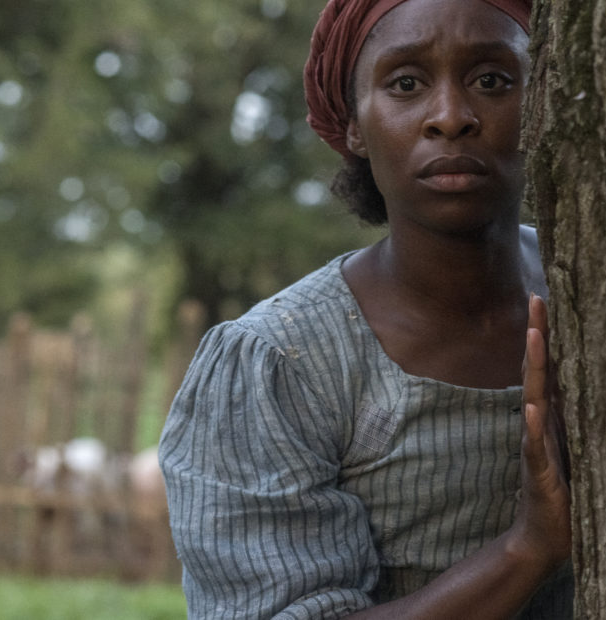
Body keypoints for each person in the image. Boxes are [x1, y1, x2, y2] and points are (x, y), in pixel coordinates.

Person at [158, 0, 573, 617]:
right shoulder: (281, 362)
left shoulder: (588, 291)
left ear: (540, 103)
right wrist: (528, 548)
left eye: (492, 80)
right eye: (406, 84)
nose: (451, 117)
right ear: (354, 121)